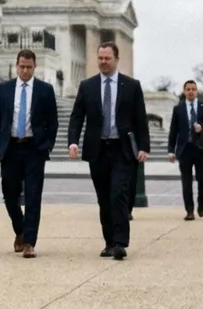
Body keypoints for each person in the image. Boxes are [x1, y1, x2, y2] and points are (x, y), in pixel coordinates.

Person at [67, 42, 149, 261]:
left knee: (118, 194)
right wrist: (73, 141)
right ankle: (109, 242)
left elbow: (141, 119)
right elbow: (77, 117)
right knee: (104, 198)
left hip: (122, 149)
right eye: (100, 58)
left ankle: (121, 242)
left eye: (107, 58)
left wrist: (143, 147)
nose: (103, 62)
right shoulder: (87, 86)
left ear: (116, 59)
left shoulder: (131, 86)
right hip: (98, 149)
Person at [0, 49, 59, 258]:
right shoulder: (4, 89)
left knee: (34, 195)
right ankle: (20, 229)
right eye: (22, 66)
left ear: (35, 67)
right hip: (10, 148)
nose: (25, 70)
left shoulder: (45, 90)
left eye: (29, 67)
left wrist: (48, 144)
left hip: (34, 148)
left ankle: (29, 242)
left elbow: (53, 121)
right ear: (16, 66)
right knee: (10, 195)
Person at [167, 80, 203, 220]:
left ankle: (201, 202)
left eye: (193, 89)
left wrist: (202, 128)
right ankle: (189, 211)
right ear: (184, 91)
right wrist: (171, 150)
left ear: (197, 91)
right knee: (186, 182)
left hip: (201, 149)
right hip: (185, 150)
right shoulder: (178, 109)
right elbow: (173, 131)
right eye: (188, 89)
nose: (191, 91)